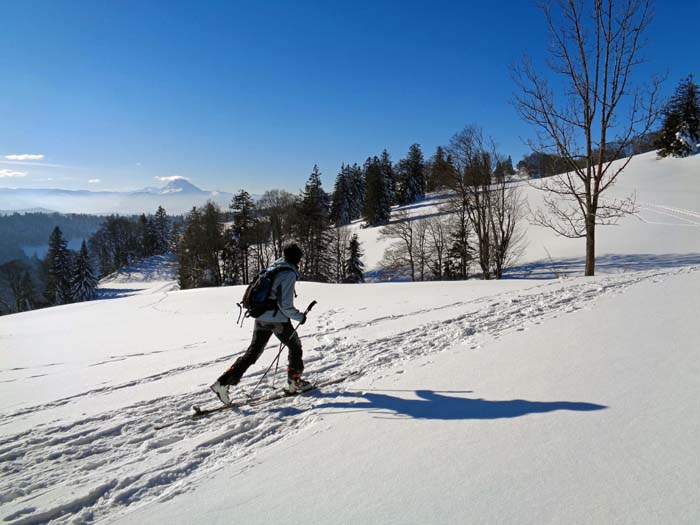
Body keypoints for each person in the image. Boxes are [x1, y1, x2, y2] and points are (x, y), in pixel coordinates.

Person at [210, 243, 311, 405]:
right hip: (276, 319)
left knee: (252, 352)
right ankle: (294, 381)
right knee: (295, 346)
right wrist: (300, 317)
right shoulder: (288, 274)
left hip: (261, 316)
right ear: (296, 258)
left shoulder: (275, 266)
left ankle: (222, 383)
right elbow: (285, 305)